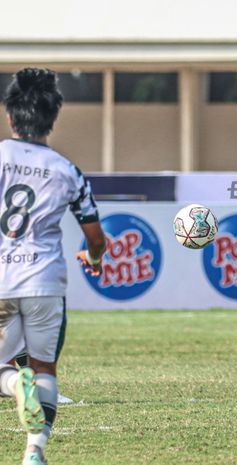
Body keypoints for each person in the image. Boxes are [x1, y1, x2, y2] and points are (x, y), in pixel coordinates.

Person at [0, 68, 106, 465]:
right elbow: (95, 237)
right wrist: (93, 259)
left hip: (1, 280)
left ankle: (13, 383)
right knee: (45, 367)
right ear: (52, 117)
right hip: (46, 282)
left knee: (5, 370)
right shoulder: (67, 171)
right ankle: (34, 453)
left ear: (10, 116)